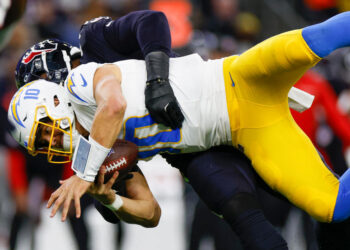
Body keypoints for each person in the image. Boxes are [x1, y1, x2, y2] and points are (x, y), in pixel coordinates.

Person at [10, 10, 350, 225]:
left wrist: (83, 171)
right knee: (329, 207)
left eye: (46, 132)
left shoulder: (84, 77)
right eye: (44, 143)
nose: (53, 141)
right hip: (241, 132)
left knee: (319, 39)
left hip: (233, 80)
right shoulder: (96, 146)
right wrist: (108, 197)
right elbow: (150, 213)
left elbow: (113, 101)